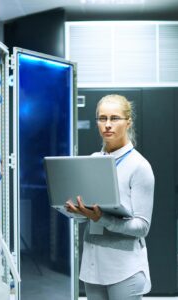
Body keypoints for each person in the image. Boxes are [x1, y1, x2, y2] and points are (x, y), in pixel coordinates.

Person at [65, 94, 155, 300]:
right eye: (102, 118)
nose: (107, 125)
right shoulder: (94, 161)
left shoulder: (139, 166)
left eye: (114, 118)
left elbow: (142, 226)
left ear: (128, 122)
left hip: (125, 270)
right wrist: (76, 211)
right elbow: (84, 217)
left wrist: (101, 218)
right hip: (93, 267)